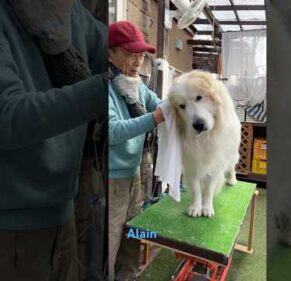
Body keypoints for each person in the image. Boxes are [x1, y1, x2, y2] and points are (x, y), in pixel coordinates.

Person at [0, 1, 107, 280]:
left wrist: (132, 53)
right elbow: (7, 118)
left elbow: (113, 47)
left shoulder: (70, 11)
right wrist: (102, 90)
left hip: (64, 210)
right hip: (12, 225)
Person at [108, 20, 164, 281]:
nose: (138, 61)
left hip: (134, 174)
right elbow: (113, 131)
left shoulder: (137, 84)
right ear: (110, 52)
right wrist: (155, 118)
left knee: (134, 233)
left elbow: (161, 104)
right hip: (109, 179)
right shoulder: (104, 85)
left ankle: (128, 277)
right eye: (131, 54)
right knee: (110, 240)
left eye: (141, 55)